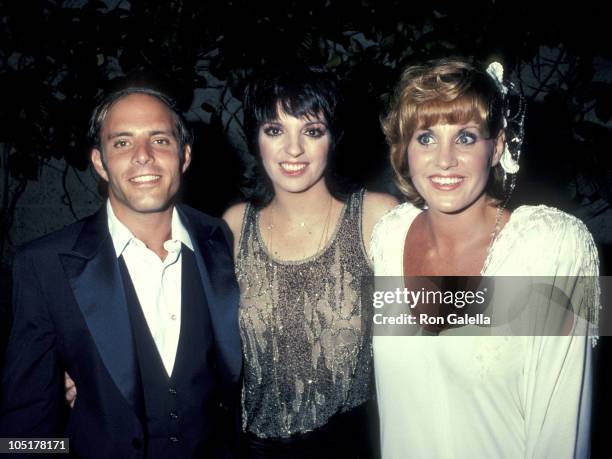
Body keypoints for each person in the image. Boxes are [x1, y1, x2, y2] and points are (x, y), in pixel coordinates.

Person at [370, 58, 600, 458]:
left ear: (496, 148)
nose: (444, 160)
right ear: (404, 149)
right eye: (425, 138)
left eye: (466, 137)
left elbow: (563, 427)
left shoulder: (554, 247)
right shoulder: (388, 237)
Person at [0, 87, 242, 458]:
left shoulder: (226, 242)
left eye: (159, 140)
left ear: (184, 155)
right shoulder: (44, 265)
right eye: (122, 143)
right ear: (100, 162)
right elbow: (24, 426)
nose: (143, 157)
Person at [222, 64, 397, 458]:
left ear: (333, 138)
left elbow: (438, 319)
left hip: (351, 446)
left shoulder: (376, 217)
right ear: (256, 139)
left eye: (312, 131)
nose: (294, 149)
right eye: (275, 130)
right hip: (253, 450)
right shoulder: (233, 227)